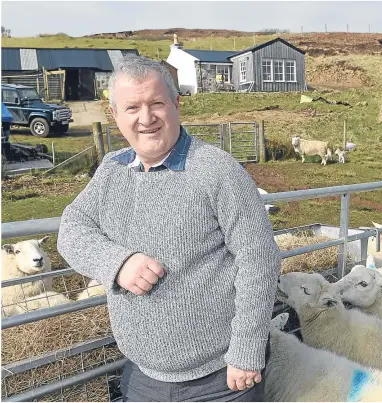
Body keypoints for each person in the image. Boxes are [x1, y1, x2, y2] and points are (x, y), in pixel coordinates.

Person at [57, 55, 281, 402]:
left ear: (176, 104)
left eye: (156, 104)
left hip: (222, 378)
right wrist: (117, 263)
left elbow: (259, 258)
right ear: (115, 115)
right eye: (132, 108)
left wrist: (247, 351)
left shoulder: (217, 170)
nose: (146, 118)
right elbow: (70, 229)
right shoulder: (111, 171)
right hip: (143, 376)